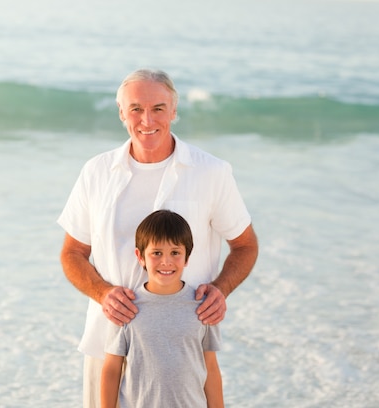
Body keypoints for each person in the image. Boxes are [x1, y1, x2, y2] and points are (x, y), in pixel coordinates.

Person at [58, 68, 258, 407]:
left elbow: (245, 245)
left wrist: (221, 290)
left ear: (174, 111)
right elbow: (72, 253)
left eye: (158, 108)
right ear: (121, 113)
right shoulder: (96, 172)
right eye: (135, 108)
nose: (146, 120)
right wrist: (103, 293)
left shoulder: (211, 172)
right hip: (108, 344)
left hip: (182, 352)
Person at [101, 209, 224, 408]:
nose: (166, 261)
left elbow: (210, 367)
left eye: (175, 253)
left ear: (187, 257)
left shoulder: (202, 307)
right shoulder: (127, 308)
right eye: (156, 253)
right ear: (140, 257)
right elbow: (112, 369)